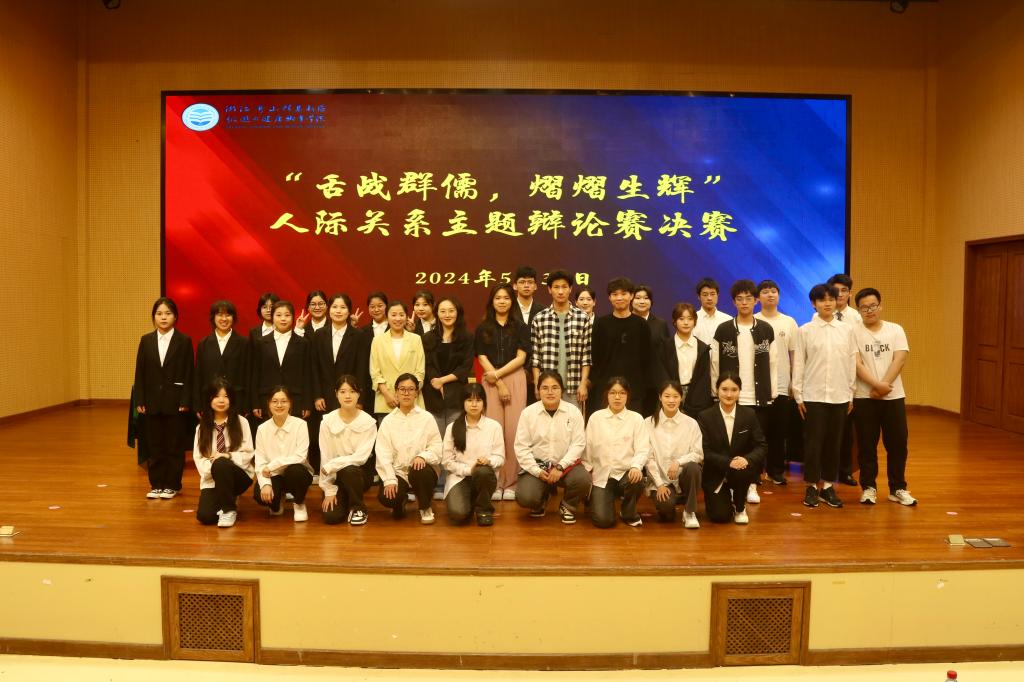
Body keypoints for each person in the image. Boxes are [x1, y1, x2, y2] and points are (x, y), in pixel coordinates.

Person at [710, 279, 778, 506]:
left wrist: (772, 392)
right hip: (731, 397)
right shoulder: (724, 329)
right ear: (734, 302)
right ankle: (731, 483)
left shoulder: (766, 329)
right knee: (731, 443)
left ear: (756, 300)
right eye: (740, 299)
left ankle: (751, 484)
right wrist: (716, 392)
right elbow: (715, 363)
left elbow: (774, 362)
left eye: (749, 298)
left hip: (759, 397)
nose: (744, 302)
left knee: (755, 444)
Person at [792, 284, 857, 509]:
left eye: (831, 299)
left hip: (840, 396)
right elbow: (799, 363)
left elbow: (851, 361)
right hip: (813, 395)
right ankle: (811, 486)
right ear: (814, 303)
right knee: (813, 443)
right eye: (822, 300)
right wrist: (798, 395)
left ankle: (828, 487)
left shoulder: (847, 330)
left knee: (834, 443)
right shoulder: (805, 330)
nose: (827, 303)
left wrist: (851, 394)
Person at [852, 288, 916, 506]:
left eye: (873, 306)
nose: (869, 310)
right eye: (864, 308)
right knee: (867, 445)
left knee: (898, 444)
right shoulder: (854, 332)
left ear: (880, 306)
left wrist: (883, 386)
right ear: (858, 310)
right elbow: (856, 363)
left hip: (893, 396)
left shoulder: (895, 329)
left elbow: (900, 359)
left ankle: (898, 488)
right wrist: (876, 385)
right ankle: (868, 488)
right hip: (864, 396)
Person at [134, 296, 194, 500]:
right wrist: (140, 399)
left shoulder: (184, 341)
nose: (163, 317)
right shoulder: (146, 340)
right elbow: (140, 372)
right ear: (154, 317)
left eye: (168, 313)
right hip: (151, 401)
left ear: (175, 316)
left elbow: (189, 373)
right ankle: (157, 484)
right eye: (159, 313)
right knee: (155, 445)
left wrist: (185, 400)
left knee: (174, 445)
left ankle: (172, 484)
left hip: (175, 402)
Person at [474, 283, 529, 500]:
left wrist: (499, 376)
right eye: (498, 298)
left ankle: (512, 483)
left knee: (513, 432)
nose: (502, 301)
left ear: (511, 301)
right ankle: (495, 482)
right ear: (492, 301)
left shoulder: (521, 326)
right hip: (490, 380)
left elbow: (521, 358)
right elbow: (481, 356)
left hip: (514, 377)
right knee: (493, 431)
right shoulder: (483, 327)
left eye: (506, 298)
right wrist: (498, 381)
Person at [513, 370, 590, 524]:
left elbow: (578, 444)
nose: (550, 392)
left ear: (562, 390)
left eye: (555, 388)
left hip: (565, 466)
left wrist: (561, 466)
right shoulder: (528, 413)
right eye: (545, 388)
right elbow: (521, 447)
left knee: (583, 479)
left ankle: (567, 505)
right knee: (526, 497)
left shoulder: (573, 412)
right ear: (538, 390)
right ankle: (541, 500)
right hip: (538, 466)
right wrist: (536, 471)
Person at [697, 373, 766, 524]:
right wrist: (728, 462)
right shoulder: (705, 416)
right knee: (720, 516)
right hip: (716, 473)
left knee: (744, 469)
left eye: (734, 389)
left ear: (739, 391)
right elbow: (704, 451)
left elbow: (761, 446)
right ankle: (727, 500)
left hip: (741, 472)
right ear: (717, 390)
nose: (729, 394)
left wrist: (746, 460)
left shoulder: (749, 415)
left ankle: (740, 507)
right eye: (724, 389)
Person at [375, 374, 443, 524]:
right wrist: (390, 479)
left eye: (411, 389)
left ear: (417, 393)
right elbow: (382, 453)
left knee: (419, 470)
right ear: (396, 392)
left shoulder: (426, 418)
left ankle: (425, 507)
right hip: (398, 471)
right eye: (402, 389)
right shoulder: (388, 421)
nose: (406, 393)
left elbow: (437, 447)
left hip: (421, 470)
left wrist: (423, 456)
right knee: (388, 497)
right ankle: (400, 502)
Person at [585, 377, 649, 528]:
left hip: (625, 475)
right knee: (604, 521)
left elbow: (643, 449)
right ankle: (601, 502)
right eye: (613, 393)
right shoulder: (596, 418)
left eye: (622, 393)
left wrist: (636, 466)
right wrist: (587, 475)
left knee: (637, 480)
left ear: (628, 395)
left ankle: (627, 512)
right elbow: (587, 449)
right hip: (602, 476)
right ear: (607, 395)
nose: (617, 397)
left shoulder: (636, 419)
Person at [755, 279, 800, 485]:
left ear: (779, 296)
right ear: (758, 298)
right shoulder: (753, 320)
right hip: (757, 386)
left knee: (778, 431)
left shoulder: (789, 322)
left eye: (773, 291)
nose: (770, 295)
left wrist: (794, 382)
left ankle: (776, 471)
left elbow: (794, 354)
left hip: (782, 385)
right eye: (765, 292)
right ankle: (756, 471)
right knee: (757, 432)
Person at [193, 378, 254, 527]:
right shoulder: (201, 428)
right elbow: (199, 458)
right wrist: (215, 467)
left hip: (239, 476)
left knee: (221, 463)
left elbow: (248, 454)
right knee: (205, 516)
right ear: (209, 400)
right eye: (216, 396)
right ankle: (227, 497)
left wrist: (227, 456)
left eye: (226, 396)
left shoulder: (242, 422)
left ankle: (229, 510)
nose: (221, 400)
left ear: (231, 400)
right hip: (212, 479)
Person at [442, 383, 504, 526]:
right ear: (463, 403)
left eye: (478, 400)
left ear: (484, 403)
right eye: (469, 400)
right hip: (459, 478)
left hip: (484, 477)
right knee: (458, 514)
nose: (474, 404)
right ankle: (471, 501)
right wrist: (470, 470)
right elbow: (447, 462)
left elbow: (500, 458)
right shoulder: (452, 427)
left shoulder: (494, 426)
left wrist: (488, 461)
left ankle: (484, 509)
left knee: (482, 471)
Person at [319, 375, 377, 525]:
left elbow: (361, 457)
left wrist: (333, 464)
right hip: (334, 476)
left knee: (349, 470)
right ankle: (344, 499)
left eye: (352, 391)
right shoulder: (327, 421)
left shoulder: (368, 422)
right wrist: (328, 489)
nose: (347, 396)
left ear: (359, 394)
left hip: (359, 474)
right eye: (343, 391)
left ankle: (358, 508)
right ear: (336, 394)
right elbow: (325, 456)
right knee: (332, 517)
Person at [530, 269, 592, 410]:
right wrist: (537, 384)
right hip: (547, 387)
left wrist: (583, 384)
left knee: (572, 422)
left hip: (574, 386)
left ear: (570, 289)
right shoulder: (540, 319)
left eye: (564, 287)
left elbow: (586, 356)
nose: (560, 291)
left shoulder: (582, 318)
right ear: (549, 289)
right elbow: (535, 357)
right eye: (556, 287)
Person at [588, 277, 652, 415]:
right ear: (609, 297)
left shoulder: (641, 325)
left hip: (634, 390)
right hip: (606, 389)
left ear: (631, 296)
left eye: (623, 294)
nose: (619, 298)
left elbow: (647, 358)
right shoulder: (601, 324)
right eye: (615, 294)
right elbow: (596, 357)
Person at [645, 380, 703, 529]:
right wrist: (659, 484)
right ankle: (671, 502)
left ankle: (689, 511)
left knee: (693, 467)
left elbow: (698, 453)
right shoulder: (648, 423)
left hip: (683, 477)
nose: (671, 400)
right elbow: (648, 458)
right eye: (667, 396)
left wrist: (678, 462)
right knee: (666, 512)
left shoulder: (691, 423)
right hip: (661, 481)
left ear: (681, 398)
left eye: (675, 396)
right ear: (660, 397)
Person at [253, 386, 314, 522]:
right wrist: (265, 484)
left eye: (284, 401)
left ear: (290, 403)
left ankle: (299, 503)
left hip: (296, 472)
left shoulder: (301, 425)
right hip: (273, 475)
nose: (279, 405)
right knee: (259, 495)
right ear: (269, 404)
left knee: (296, 471)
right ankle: (278, 500)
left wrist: (273, 465)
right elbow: (260, 461)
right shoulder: (262, 429)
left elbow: (300, 457)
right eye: (274, 401)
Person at [825, 273, 861, 487]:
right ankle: (824, 470)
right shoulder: (819, 314)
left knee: (846, 431)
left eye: (844, 290)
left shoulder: (856, 318)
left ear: (850, 293)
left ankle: (845, 471)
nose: (839, 294)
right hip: (825, 381)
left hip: (848, 381)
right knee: (826, 431)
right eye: (835, 290)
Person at [423, 296, 475, 436]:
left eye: (451, 311)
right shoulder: (428, 337)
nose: (447, 315)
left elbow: (465, 367)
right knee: (435, 438)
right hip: (433, 393)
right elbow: (427, 364)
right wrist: (436, 381)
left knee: (455, 437)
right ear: (437, 314)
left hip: (457, 393)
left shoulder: (467, 338)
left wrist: (442, 381)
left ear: (458, 312)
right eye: (443, 311)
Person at [251, 300, 312, 419]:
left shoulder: (303, 343)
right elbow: (255, 374)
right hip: (267, 399)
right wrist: (255, 402)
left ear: (293, 318)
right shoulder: (261, 342)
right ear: (272, 317)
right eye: (278, 315)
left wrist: (307, 403)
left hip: (295, 400)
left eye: (287, 315)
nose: (283, 319)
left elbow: (307, 375)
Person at [369, 300, 426, 419]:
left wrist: (408, 394)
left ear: (406, 316)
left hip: (413, 401)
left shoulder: (416, 339)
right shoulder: (377, 341)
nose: (398, 318)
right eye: (393, 315)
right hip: (386, 401)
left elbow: (420, 372)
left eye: (401, 314)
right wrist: (387, 394)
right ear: (387, 316)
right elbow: (375, 372)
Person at [193, 300, 250, 415]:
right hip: (210, 400)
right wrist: (198, 404)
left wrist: (247, 405)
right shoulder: (204, 343)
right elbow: (198, 376)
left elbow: (248, 375)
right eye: (220, 315)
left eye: (228, 315)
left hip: (237, 401)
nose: (224, 319)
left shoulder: (244, 343)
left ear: (233, 318)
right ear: (213, 318)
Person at [665, 302, 713, 419]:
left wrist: (693, 403)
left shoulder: (703, 348)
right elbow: (663, 375)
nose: (686, 323)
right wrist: (673, 396)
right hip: (671, 396)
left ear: (695, 322)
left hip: (696, 398)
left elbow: (703, 379)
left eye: (690, 319)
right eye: (681, 319)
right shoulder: (665, 346)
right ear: (674, 321)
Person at [631, 284, 672, 416]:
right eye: (638, 298)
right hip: (631, 380)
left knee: (652, 418)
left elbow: (666, 353)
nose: (642, 301)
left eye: (646, 298)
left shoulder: (660, 324)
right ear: (631, 299)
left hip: (654, 382)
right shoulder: (626, 321)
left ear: (651, 301)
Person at [511, 265, 544, 406]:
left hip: (537, 373)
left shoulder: (543, 311)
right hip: (511, 372)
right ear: (514, 286)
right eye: (522, 282)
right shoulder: (507, 310)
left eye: (530, 282)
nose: (526, 285)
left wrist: (532, 371)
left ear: (535, 286)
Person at [693, 277, 733, 345]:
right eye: (705, 295)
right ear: (699, 297)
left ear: (718, 295)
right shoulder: (692, 319)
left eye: (712, 294)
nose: (709, 298)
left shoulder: (727, 320)